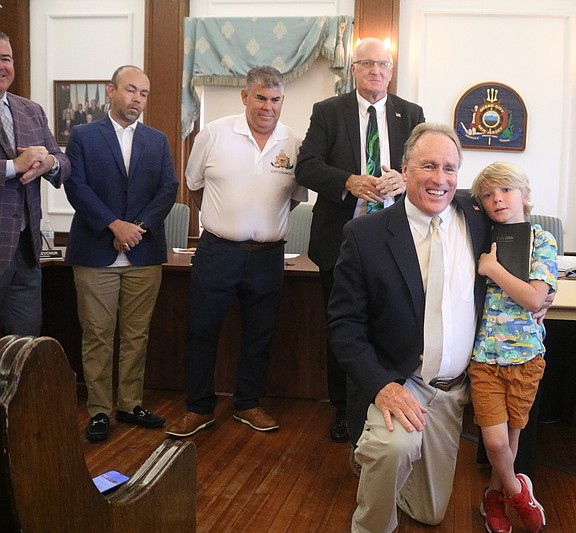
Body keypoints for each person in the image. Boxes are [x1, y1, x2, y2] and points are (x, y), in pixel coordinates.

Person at [327, 123, 489, 532]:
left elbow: (527, 235)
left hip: (453, 389)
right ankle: (373, 508)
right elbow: (345, 326)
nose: (440, 179)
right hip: (402, 379)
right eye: (428, 166)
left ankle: (375, 459)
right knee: (394, 447)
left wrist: (539, 295)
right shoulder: (366, 235)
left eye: (450, 168)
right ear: (404, 169)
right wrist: (382, 386)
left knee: (430, 512)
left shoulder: (478, 218)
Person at [166, 66, 307, 438]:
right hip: (217, 252)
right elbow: (193, 187)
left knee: (260, 334)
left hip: (268, 256)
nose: (268, 107)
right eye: (260, 97)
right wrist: (225, 223)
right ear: (245, 96)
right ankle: (198, 409)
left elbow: (293, 200)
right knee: (202, 330)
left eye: (275, 100)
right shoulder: (213, 134)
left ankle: (247, 403)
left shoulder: (293, 143)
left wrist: (263, 228)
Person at [296, 36, 425, 444]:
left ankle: (393, 399)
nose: (375, 71)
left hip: (396, 243)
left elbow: (423, 168)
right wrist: (349, 181)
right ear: (353, 70)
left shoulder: (411, 113)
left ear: (391, 70)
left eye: (382, 64)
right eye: (366, 63)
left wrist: (404, 179)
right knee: (345, 329)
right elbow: (307, 167)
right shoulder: (328, 112)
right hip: (341, 243)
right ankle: (343, 411)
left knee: (392, 329)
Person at [65, 65, 177, 442]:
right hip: (96, 252)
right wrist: (114, 225)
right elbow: (76, 187)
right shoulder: (83, 135)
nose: (137, 100)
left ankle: (130, 403)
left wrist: (136, 230)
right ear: (111, 91)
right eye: (131, 91)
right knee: (97, 335)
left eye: (144, 94)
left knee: (136, 336)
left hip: (143, 256)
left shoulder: (158, 140)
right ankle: (99, 409)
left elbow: (167, 190)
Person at [469, 162, 557, 533]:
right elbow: (452, 199)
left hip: (525, 357)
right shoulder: (478, 236)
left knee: (510, 439)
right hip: (485, 358)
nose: (497, 199)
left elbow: (536, 299)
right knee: (493, 441)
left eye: (505, 190)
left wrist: (492, 270)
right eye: (487, 195)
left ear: (526, 195)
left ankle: (493, 498)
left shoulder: (542, 241)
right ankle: (518, 491)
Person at [0, 31, 70, 336]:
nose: (2, 66)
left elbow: (62, 162)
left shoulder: (31, 110)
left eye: (6, 59)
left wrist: (49, 162)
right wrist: (14, 166)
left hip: (26, 253)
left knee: (24, 350)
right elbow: (19, 165)